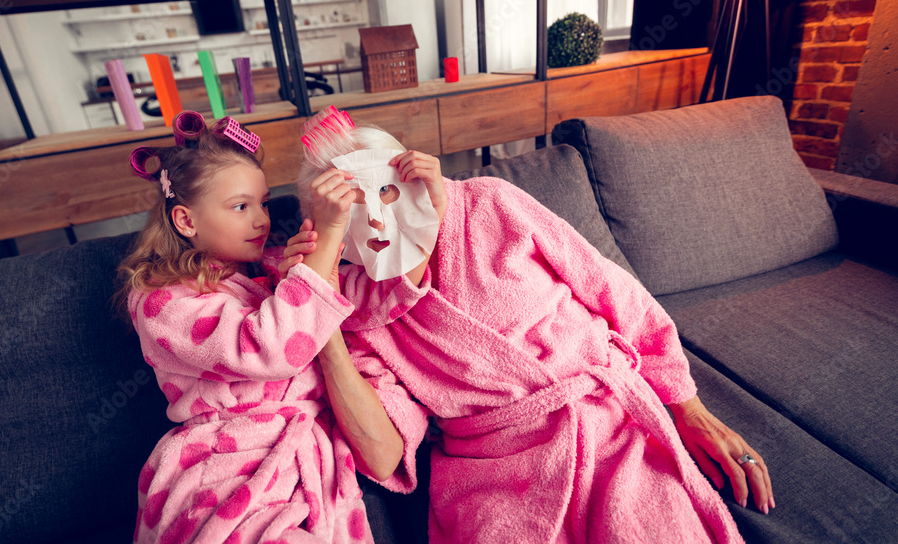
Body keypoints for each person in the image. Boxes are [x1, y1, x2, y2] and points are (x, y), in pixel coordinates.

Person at [284, 107, 774, 544]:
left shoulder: (489, 205)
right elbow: (383, 454)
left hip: (608, 424)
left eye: (388, 191)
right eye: (348, 214)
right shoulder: (358, 314)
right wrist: (320, 315)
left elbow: (613, 289)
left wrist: (688, 409)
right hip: (497, 473)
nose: (377, 222)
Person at [116, 110, 427, 544]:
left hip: (306, 461)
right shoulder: (161, 301)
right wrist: (324, 245)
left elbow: (367, 301)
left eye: (263, 203)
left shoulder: (271, 269)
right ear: (186, 221)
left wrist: (423, 218)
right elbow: (272, 348)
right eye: (241, 206)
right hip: (223, 464)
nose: (262, 219)